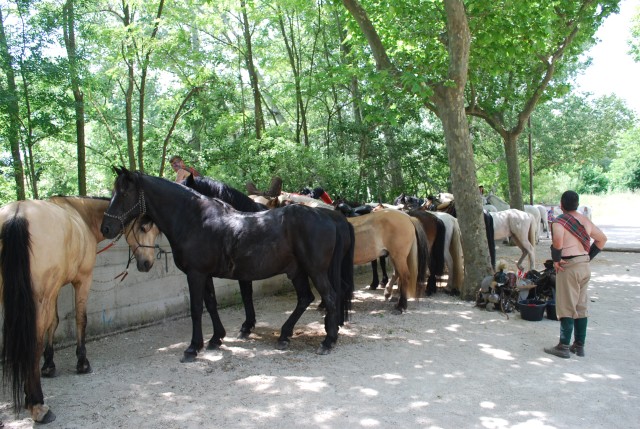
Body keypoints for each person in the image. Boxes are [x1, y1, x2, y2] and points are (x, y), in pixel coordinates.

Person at [544, 190, 607, 359]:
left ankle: (563, 346)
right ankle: (579, 345)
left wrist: (556, 260)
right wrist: (587, 258)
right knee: (581, 305)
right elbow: (602, 239)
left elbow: (558, 242)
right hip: (584, 265)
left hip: (568, 266)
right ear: (577, 204)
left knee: (566, 305)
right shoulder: (585, 220)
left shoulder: (559, 222)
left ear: (561, 205)